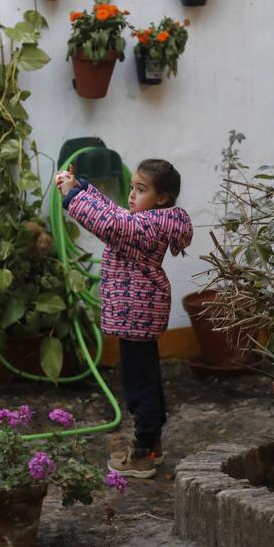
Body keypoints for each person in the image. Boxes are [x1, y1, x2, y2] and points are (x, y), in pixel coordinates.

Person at [55, 158, 193, 478]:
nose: (131, 195)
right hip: (138, 315)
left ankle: (142, 454)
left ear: (162, 198)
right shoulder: (150, 219)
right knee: (147, 379)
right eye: (131, 186)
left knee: (138, 386)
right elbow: (116, 213)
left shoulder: (144, 227)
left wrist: (72, 196)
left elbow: (112, 224)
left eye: (140, 189)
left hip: (136, 314)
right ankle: (153, 443)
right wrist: (81, 188)